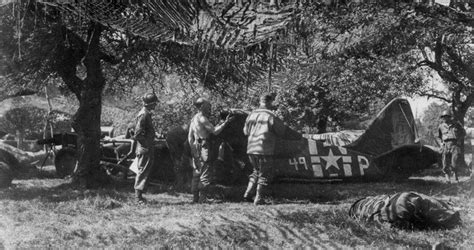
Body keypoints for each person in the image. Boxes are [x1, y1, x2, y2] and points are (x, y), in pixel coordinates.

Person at [243, 93, 286, 205]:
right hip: (265, 148)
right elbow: (281, 131)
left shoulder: (251, 114)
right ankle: (259, 198)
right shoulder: (271, 115)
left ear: (260, 101)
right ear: (270, 102)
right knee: (264, 174)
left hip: (251, 148)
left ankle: (247, 193)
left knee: (255, 172)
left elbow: (245, 132)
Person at [188, 97, 233, 203]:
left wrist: (193, 149)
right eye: (208, 107)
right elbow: (215, 131)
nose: (210, 109)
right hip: (204, 146)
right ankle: (202, 199)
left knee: (196, 172)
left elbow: (190, 137)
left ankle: (195, 198)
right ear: (202, 106)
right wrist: (225, 123)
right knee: (206, 171)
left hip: (196, 145)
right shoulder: (202, 118)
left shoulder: (194, 118)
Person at [132, 92, 158, 204]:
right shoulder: (144, 114)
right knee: (142, 171)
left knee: (144, 171)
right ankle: (138, 199)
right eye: (155, 103)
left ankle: (140, 197)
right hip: (145, 148)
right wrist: (146, 145)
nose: (156, 106)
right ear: (151, 103)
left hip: (146, 147)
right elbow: (137, 134)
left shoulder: (146, 113)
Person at [437, 110, 466, 183]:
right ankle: (447, 178)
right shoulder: (441, 126)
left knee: (455, 162)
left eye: (447, 117)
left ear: (450, 117)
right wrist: (441, 144)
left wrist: (459, 140)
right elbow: (439, 137)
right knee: (445, 162)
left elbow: (463, 133)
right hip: (446, 145)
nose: (445, 118)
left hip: (454, 144)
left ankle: (455, 177)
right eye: (444, 117)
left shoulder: (456, 124)